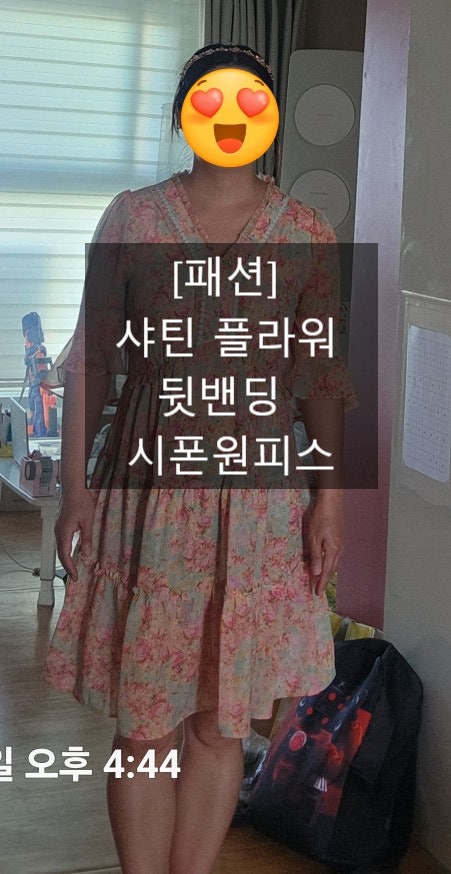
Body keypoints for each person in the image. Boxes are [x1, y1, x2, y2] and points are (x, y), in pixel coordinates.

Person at [44, 43, 356, 874]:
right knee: (146, 723)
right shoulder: (134, 220)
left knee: (221, 724)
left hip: (259, 502)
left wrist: (329, 498)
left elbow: (319, 377)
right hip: (148, 490)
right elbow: (92, 363)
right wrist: (74, 489)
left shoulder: (304, 232)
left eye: (249, 101)